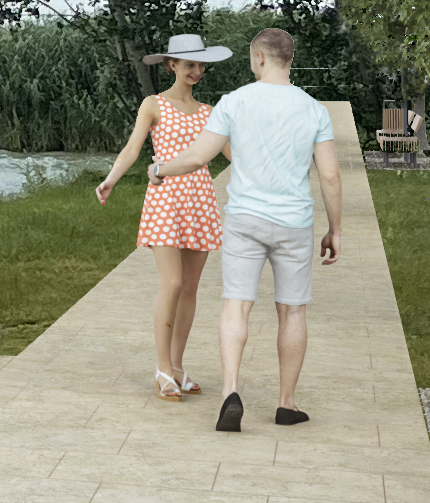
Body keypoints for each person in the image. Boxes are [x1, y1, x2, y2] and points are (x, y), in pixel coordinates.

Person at [137, 24, 342, 431]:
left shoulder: (234, 102)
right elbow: (331, 177)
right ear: (290, 59)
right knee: (292, 310)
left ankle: (231, 393)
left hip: (245, 221)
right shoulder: (314, 110)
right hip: (294, 224)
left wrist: (159, 169)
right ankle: (286, 404)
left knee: (237, 305)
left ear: (260, 58)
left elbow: (198, 157)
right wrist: (335, 229)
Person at [95, 35, 235, 395]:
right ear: (171, 65)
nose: (197, 71)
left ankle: (177, 365)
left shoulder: (210, 112)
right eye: (189, 64)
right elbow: (132, 148)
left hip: (200, 200)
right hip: (165, 200)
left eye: (201, 65)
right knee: (171, 284)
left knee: (189, 289)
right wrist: (111, 180)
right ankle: (161, 368)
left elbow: (235, 156)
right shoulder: (153, 104)